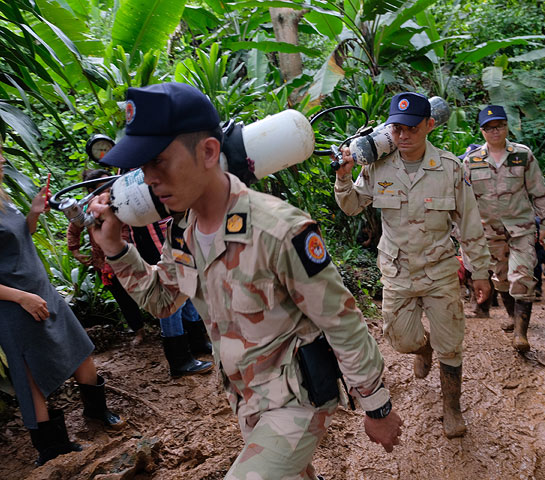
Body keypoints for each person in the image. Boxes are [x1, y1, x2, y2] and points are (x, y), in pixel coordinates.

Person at [88, 82, 402, 479]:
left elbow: (342, 321)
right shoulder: (182, 231)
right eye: (143, 166)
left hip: (297, 399)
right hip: (246, 398)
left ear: (208, 152)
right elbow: (162, 301)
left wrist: (377, 407)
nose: (149, 178)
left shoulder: (278, 230)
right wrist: (115, 248)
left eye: (159, 161)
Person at [334, 92, 491, 438]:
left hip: (439, 272)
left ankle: (452, 408)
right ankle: (423, 348)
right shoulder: (376, 166)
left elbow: (470, 224)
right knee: (402, 340)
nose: (403, 136)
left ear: (429, 125)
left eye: (411, 128)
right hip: (398, 271)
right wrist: (344, 178)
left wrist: (480, 272)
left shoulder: (450, 168)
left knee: (451, 345)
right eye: (397, 129)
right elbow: (352, 206)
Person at [0, 143, 124, 467]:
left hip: (41, 288)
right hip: (14, 304)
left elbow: (21, 236)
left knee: (79, 349)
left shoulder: (4, 195)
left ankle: (98, 413)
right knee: (30, 376)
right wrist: (21, 298)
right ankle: (52, 447)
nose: (2, 158)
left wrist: (33, 213)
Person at [462, 105, 545, 352]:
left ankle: (521, 335)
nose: (495, 131)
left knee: (522, 276)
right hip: (489, 232)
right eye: (489, 128)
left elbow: (539, 191)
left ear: (506, 127)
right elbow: (464, 200)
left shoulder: (523, 155)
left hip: (521, 228)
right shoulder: (471, 161)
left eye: (499, 126)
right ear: (482, 131)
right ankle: (513, 318)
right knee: (501, 279)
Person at [125, 216, 213, 378]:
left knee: (188, 293)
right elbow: (144, 232)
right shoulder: (132, 201)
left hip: (176, 248)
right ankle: (180, 361)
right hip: (159, 253)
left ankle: (197, 342)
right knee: (171, 304)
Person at [67, 169, 147, 346]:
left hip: (132, 256)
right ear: (91, 191)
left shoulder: (124, 198)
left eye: (110, 184)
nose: (109, 188)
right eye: (103, 186)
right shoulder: (87, 209)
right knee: (123, 298)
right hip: (105, 263)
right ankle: (139, 330)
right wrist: (75, 250)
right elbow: (74, 228)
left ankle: (166, 325)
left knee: (145, 289)